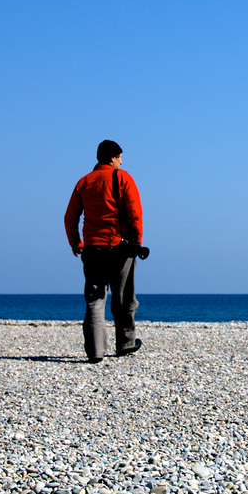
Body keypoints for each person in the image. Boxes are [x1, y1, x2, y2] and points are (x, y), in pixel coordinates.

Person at [65, 140, 143, 361]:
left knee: (95, 299)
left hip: (91, 247)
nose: (122, 160)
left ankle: (96, 351)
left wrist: (75, 242)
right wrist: (136, 241)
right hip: (120, 246)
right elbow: (135, 213)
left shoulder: (84, 181)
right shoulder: (123, 178)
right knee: (124, 298)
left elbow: (70, 217)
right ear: (112, 157)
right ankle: (125, 344)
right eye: (120, 157)